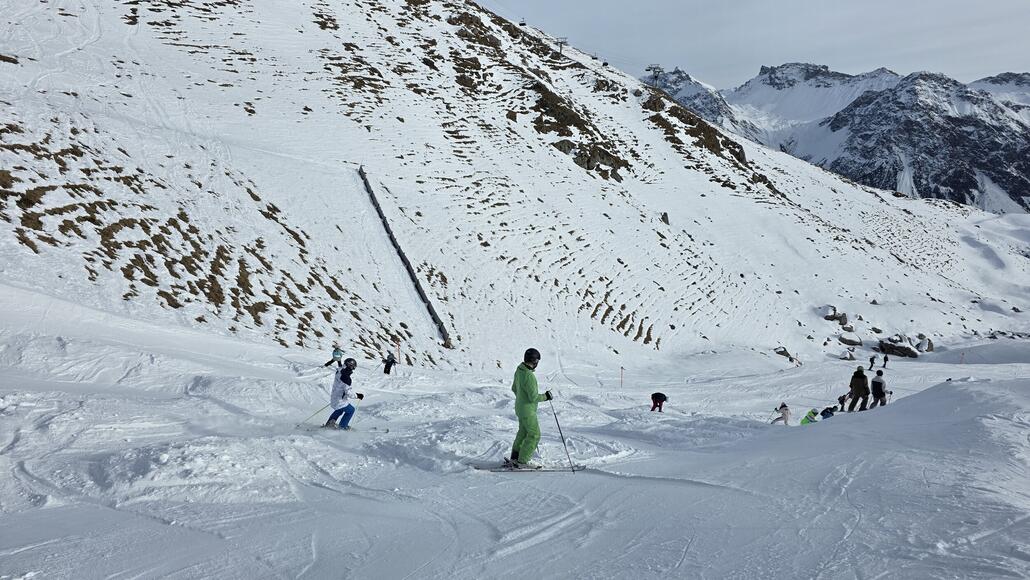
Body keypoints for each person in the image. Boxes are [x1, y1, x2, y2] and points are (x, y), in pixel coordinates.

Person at [508, 348, 552, 469]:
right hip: (528, 410)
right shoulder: (529, 376)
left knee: (523, 433)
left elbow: (514, 388)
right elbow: (533, 397)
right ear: (535, 361)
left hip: (520, 408)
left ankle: (515, 458)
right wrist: (546, 396)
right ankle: (523, 461)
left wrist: (521, 399)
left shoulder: (519, 370)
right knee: (534, 435)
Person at [324, 358, 364, 429]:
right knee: (351, 410)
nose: (353, 369)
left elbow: (342, 387)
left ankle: (329, 424)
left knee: (339, 410)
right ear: (350, 366)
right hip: (339, 400)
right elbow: (349, 393)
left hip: (335, 397)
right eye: (353, 367)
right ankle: (342, 427)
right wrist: (358, 395)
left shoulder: (339, 371)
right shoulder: (346, 377)